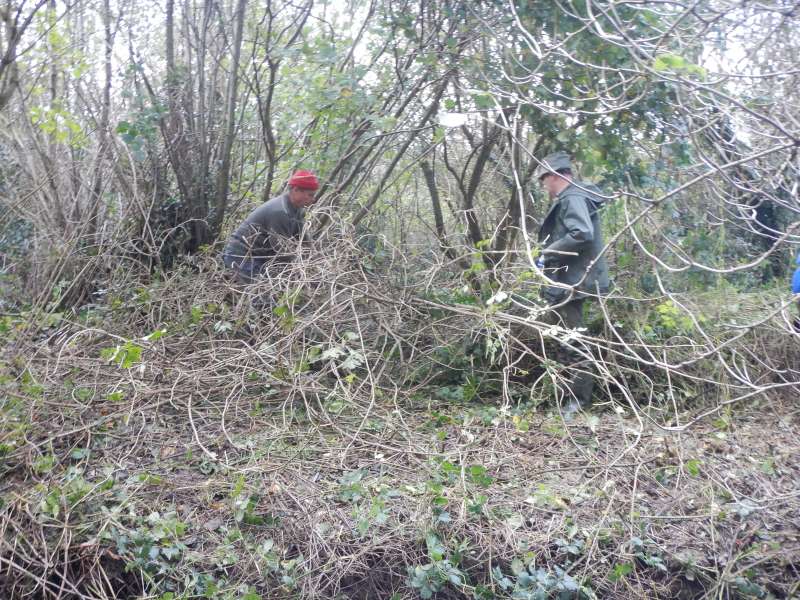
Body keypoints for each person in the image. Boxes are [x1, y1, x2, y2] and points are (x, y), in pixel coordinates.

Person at [534, 151, 610, 413]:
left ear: (556, 176)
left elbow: (582, 233)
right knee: (565, 338)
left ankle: (578, 401)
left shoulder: (573, 196)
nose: (544, 186)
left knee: (573, 340)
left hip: (573, 281)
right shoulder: (570, 196)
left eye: (544, 180)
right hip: (566, 280)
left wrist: (547, 253)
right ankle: (567, 397)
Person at [222, 170, 319, 283]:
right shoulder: (280, 212)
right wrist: (301, 269)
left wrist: (314, 257)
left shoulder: (297, 210)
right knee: (262, 294)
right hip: (241, 256)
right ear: (296, 190)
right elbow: (282, 251)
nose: (312, 200)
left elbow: (302, 237)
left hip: (259, 257)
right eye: (310, 195)